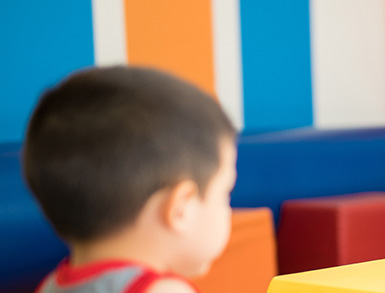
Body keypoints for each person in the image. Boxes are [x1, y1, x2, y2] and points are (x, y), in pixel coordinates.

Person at [24, 67, 238, 293]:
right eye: (225, 194)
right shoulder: (163, 290)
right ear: (181, 208)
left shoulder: (49, 287)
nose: (228, 211)